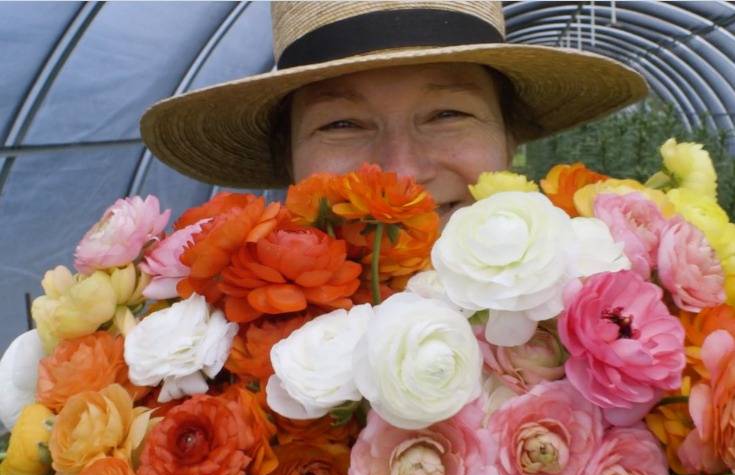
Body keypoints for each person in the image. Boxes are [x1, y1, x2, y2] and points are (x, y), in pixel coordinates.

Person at [140, 1, 647, 221]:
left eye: (447, 114)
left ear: (510, 140)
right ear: (287, 161)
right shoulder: (212, 371)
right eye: (341, 124)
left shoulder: (625, 325)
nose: (402, 173)